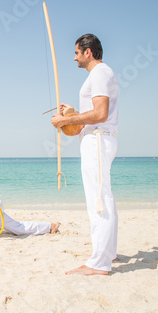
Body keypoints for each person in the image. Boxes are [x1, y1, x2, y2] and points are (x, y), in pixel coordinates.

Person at [51, 34, 119, 276]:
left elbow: (100, 114)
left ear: (88, 52)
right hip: (97, 138)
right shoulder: (99, 75)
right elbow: (93, 114)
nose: (74, 57)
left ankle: (99, 262)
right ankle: (108, 253)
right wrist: (71, 115)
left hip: (98, 138)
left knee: (98, 199)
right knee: (103, 196)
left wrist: (65, 120)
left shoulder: (100, 73)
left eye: (77, 52)